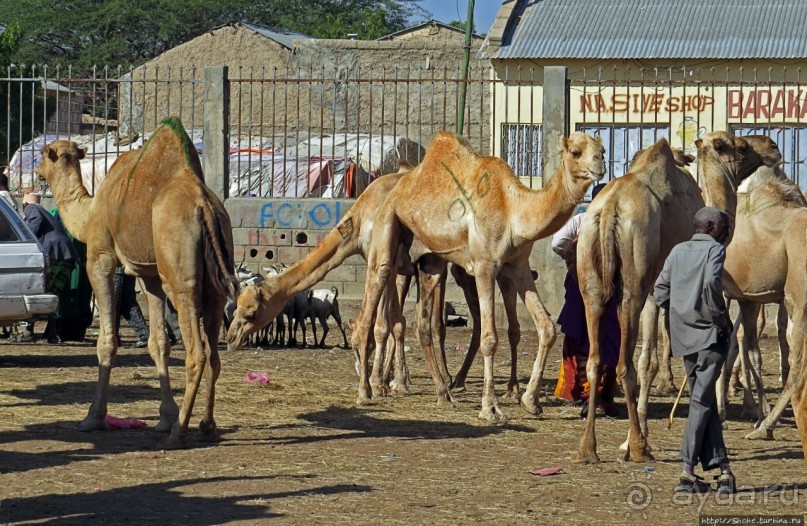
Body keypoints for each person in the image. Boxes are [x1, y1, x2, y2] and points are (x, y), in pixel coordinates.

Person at [653, 206, 735, 495]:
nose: (727, 232)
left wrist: (681, 311)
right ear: (711, 227)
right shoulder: (715, 250)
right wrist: (720, 319)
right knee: (701, 401)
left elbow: (660, 292)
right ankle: (686, 472)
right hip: (711, 336)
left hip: (684, 337)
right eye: (724, 227)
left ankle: (723, 469)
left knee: (704, 399)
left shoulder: (677, 251)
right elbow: (712, 283)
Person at [552, 183, 620, 417]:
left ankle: (587, 393)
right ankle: (596, 396)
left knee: (585, 335)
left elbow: (558, 243)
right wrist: (574, 259)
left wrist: (574, 259)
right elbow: (558, 243)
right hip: (603, 286)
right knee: (606, 336)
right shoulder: (614, 224)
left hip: (584, 283)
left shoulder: (581, 220)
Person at [22, 192, 79, 343]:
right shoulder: (45, 212)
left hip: (56, 254)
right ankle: (51, 333)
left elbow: (37, 220)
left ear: (24, 204)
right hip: (65, 255)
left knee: (36, 290)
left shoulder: (31, 209)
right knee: (53, 293)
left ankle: (28, 333)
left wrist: (28, 240)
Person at [114, 266, 149, 348]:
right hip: (128, 269)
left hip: (116, 269)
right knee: (128, 303)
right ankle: (144, 334)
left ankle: (112, 337)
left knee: (113, 303)